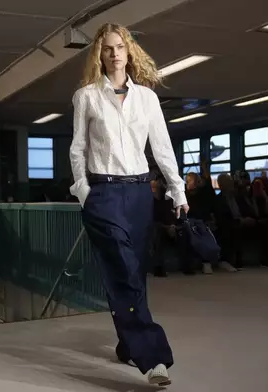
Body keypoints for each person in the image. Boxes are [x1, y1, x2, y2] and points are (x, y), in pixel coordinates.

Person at [68, 22, 188, 386]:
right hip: (103, 195)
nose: (115, 53)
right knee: (122, 267)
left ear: (129, 51)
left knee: (133, 273)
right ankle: (154, 359)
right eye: (107, 48)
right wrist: (84, 191)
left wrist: (177, 189)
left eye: (120, 47)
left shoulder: (147, 99)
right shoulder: (86, 96)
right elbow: (78, 148)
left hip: (139, 195)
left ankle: (127, 342)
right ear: (99, 55)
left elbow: (162, 147)